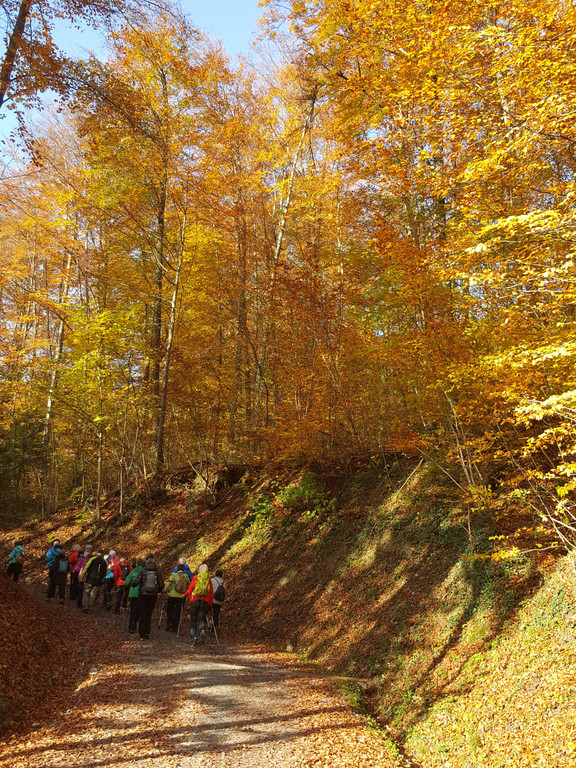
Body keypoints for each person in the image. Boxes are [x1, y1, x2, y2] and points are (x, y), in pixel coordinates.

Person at [133, 557, 164, 640]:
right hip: (153, 595)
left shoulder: (143, 571)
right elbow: (161, 585)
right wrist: (157, 591)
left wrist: (133, 585)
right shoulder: (157, 573)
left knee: (142, 613)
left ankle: (142, 634)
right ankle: (147, 632)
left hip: (143, 595)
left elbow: (136, 582)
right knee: (149, 613)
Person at [183, 564, 213, 646]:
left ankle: (193, 637)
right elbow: (211, 593)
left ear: (199, 570)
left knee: (193, 619)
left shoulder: (196, 578)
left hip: (195, 600)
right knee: (201, 619)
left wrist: (184, 595)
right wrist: (210, 604)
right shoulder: (209, 580)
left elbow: (190, 589)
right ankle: (202, 631)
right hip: (205, 601)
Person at [163, 564, 190, 632]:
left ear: (177, 569)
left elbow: (168, 584)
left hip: (172, 595)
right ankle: (176, 626)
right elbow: (188, 586)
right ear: (183, 570)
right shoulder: (186, 577)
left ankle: (170, 622)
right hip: (181, 596)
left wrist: (165, 590)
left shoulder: (173, 575)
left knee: (170, 609)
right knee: (178, 611)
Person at [123, 558, 144, 633]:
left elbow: (126, 582)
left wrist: (128, 585)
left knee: (133, 610)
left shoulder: (134, 571)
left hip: (133, 593)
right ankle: (135, 623)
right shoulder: (145, 571)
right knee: (139, 610)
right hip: (142, 593)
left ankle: (131, 626)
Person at [74, 545, 93, 609]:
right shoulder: (92, 560)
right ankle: (85, 604)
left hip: (81, 577)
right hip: (88, 577)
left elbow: (76, 568)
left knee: (80, 591)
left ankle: (79, 605)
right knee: (87, 592)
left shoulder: (82, 560)